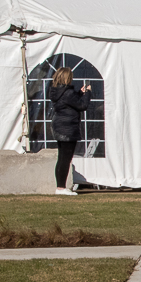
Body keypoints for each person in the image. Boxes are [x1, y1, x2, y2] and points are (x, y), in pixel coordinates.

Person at [48, 67, 91, 195]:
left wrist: (79, 93)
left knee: (62, 157)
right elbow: (82, 105)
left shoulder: (58, 92)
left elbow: (72, 102)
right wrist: (88, 93)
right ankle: (61, 188)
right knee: (65, 158)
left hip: (58, 126)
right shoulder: (67, 93)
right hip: (68, 127)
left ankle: (60, 187)